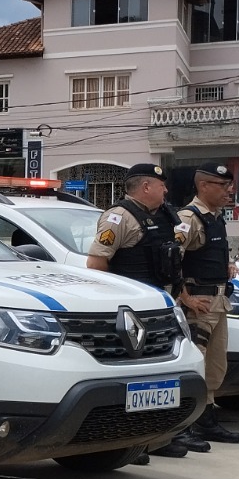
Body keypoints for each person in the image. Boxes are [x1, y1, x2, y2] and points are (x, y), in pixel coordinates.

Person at [83, 163, 205, 458]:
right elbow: (97, 265)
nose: (166, 190)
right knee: (134, 381)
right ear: (146, 187)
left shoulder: (166, 216)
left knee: (163, 376)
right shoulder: (118, 217)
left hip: (163, 307)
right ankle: (129, 441)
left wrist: (182, 297)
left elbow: (173, 264)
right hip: (133, 312)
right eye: (161, 185)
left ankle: (159, 436)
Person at [175, 165, 239, 446]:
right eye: (222, 184)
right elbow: (171, 261)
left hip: (218, 301)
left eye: (230, 184)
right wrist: (186, 298)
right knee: (195, 363)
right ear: (203, 186)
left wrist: (226, 265)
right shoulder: (188, 218)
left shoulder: (215, 217)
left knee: (215, 366)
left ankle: (206, 419)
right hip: (199, 304)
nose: (230, 190)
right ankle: (183, 425)